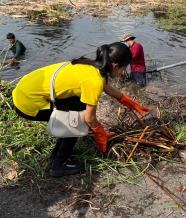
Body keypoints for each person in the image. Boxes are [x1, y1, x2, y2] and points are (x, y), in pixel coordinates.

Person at [12, 42, 149, 177]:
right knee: (76, 121)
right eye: (123, 69)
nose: (122, 73)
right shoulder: (94, 80)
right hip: (28, 102)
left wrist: (131, 103)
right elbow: (89, 118)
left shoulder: (91, 65)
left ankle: (57, 153)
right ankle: (59, 164)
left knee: (80, 108)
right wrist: (100, 133)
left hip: (25, 89)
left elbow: (108, 88)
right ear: (115, 66)